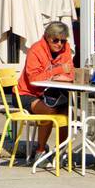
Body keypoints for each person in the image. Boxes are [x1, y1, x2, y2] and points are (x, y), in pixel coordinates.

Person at [16, 21, 75, 156]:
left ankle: (61, 152)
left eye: (62, 41)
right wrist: (58, 71)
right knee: (50, 111)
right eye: (55, 40)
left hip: (51, 93)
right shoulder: (36, 50)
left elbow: (70, 72)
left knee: (68, 111)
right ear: (48, 37)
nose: (59, 44)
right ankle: (40, 151)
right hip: (26, 93)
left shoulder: (65, 48)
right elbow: (34, 79)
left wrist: (58, 75)